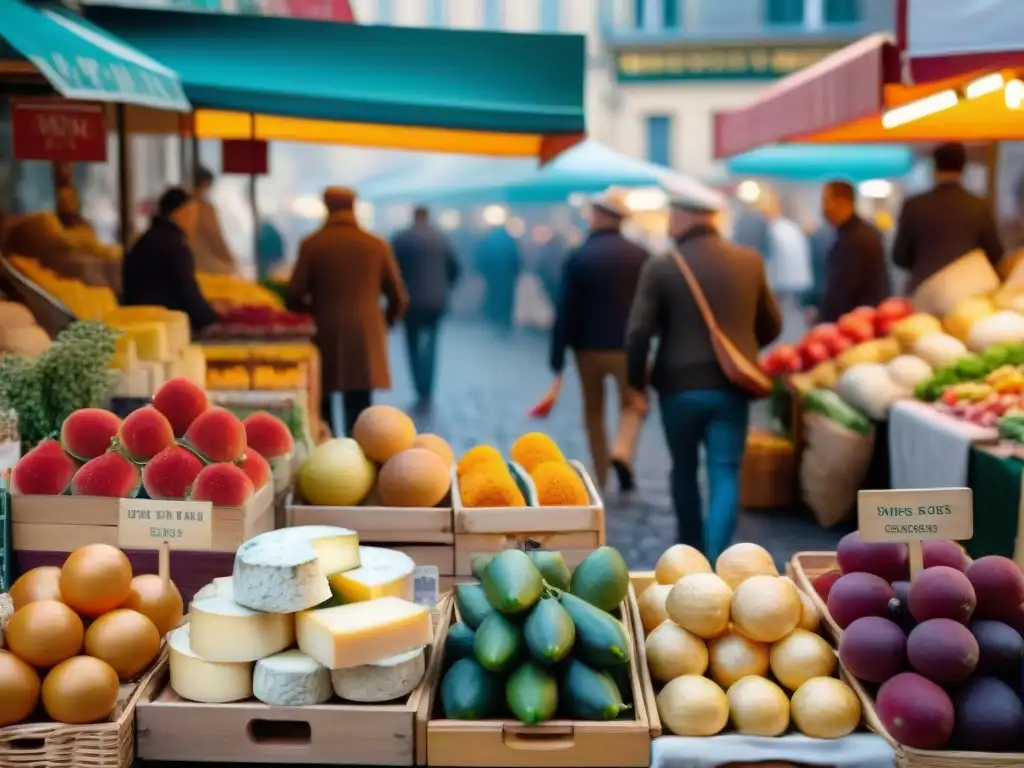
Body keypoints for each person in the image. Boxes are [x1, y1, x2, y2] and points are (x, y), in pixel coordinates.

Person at [625, 180, 782, 561]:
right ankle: (715, 559)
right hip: (730, 387)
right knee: (725, 471)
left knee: (682, 470)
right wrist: (740, 346)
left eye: (670, 215)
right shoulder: (749, 261)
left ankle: (689, 556)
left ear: (683, 217)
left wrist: (635, 384)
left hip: (677, 387)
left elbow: (638, 332)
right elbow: (772, 325)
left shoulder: (662, 266)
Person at [550, 188, 649, 492]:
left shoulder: (579, 256)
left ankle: (602, 474)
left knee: (593, 411)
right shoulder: (641, 255)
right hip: (628, 348)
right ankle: (622, 450)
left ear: (600, 215)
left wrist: (557, 355)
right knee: (634, 404)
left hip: (587, 348)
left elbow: (565, 308)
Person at [288, 187, 408, 437]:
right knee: (360, 404)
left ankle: (328, 450)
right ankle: (358, 456)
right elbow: (398, 297)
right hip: (365, 334)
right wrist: (383, 323)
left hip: (324, 330)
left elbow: (294, 294)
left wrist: (313, 311)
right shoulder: (376, 245)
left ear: (327, 207)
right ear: (354, 206)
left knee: (322, 401)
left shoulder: (312, 244)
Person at [893, 142, 1004, 293]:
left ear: (935, 166)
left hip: (923, 289)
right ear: (963, 166)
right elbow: (995, 252)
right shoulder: (979, 206)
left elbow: (899, 256)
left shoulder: (914, 205)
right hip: (968, 291)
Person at [122, 187, 220, 335]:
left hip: (140, 323)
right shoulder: (174, 246)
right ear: (178, 213)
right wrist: (211, 319)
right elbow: (186, 290)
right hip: (162, 327)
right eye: (191, 214)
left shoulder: (145, 240)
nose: (194, 221)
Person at [390, 206, 460, 412]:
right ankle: (427, 391)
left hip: (410, 302)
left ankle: (419, 388)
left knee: (412, 346)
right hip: (436, 301)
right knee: (431, 345)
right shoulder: (441, 239)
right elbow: (455, 268)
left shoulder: (402, 239)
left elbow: (392, 271)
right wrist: (445, 287)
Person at [815, 181, 892, 323]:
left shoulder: (858, 239)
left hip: (855, 325)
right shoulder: (852, 234)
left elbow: (844, 290)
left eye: (826, 201)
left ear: (843, 201)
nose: (823, 208)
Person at [191, 166, 238, 276]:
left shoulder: (184, 207)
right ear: (205, 184)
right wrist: (232, 262)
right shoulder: (204, 210)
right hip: (205, 269)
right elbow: (216, 239)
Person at [475, 223, 521, 334]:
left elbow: (481, 258)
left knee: (492, 298)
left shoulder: (489, 242)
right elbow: (516, 261)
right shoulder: (510, 242)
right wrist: (515, 274)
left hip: (492, 278)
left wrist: (483, 272)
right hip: (507, 279)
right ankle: (504, 324)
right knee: (506, 301)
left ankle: (492, 320)